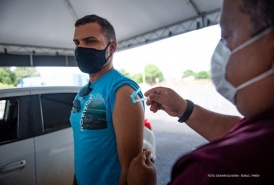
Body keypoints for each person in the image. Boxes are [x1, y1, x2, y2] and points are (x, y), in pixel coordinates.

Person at [127, 0, 274, 184]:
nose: (221, 54)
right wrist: (183, 108)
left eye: (227, 36)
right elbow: (242, 130)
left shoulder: (210, 170)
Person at [70, 15, 145, 185]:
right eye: (77, 42)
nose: (81, 47)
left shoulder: (123, 91)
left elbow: (130, 169)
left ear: (111, 48)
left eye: (90, 41)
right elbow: (83, 146)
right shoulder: (82, 92)